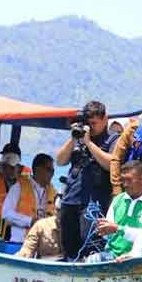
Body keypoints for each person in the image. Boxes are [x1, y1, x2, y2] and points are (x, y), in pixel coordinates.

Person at [55, 101, 118, 260]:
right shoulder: (79, 137)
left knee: (91, 246)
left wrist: (89, 143)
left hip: (94, 202)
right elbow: (60, 160)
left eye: (94, 123)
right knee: (70, 245)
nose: (91, 127)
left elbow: (111, 164)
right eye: (88, 123)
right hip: (71, 199)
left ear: (105, 119)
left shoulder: (112, 139)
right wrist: (74, 138)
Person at [91, 160, 142, 262]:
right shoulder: (118, 200)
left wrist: (118, 229)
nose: (125, 184)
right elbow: (108, 236)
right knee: (92, 259)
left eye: (129, 180)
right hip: (113, 257)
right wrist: (104, 229)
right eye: (123, 180)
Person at [1, 153, 57, 244]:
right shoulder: (19, 187)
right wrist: (30, 221)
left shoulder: (53, 193)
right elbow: (6, 214)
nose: (52, 174)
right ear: (38, 169)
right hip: (20, 243)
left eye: (53, 171)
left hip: (42, 246)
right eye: (49, 170)